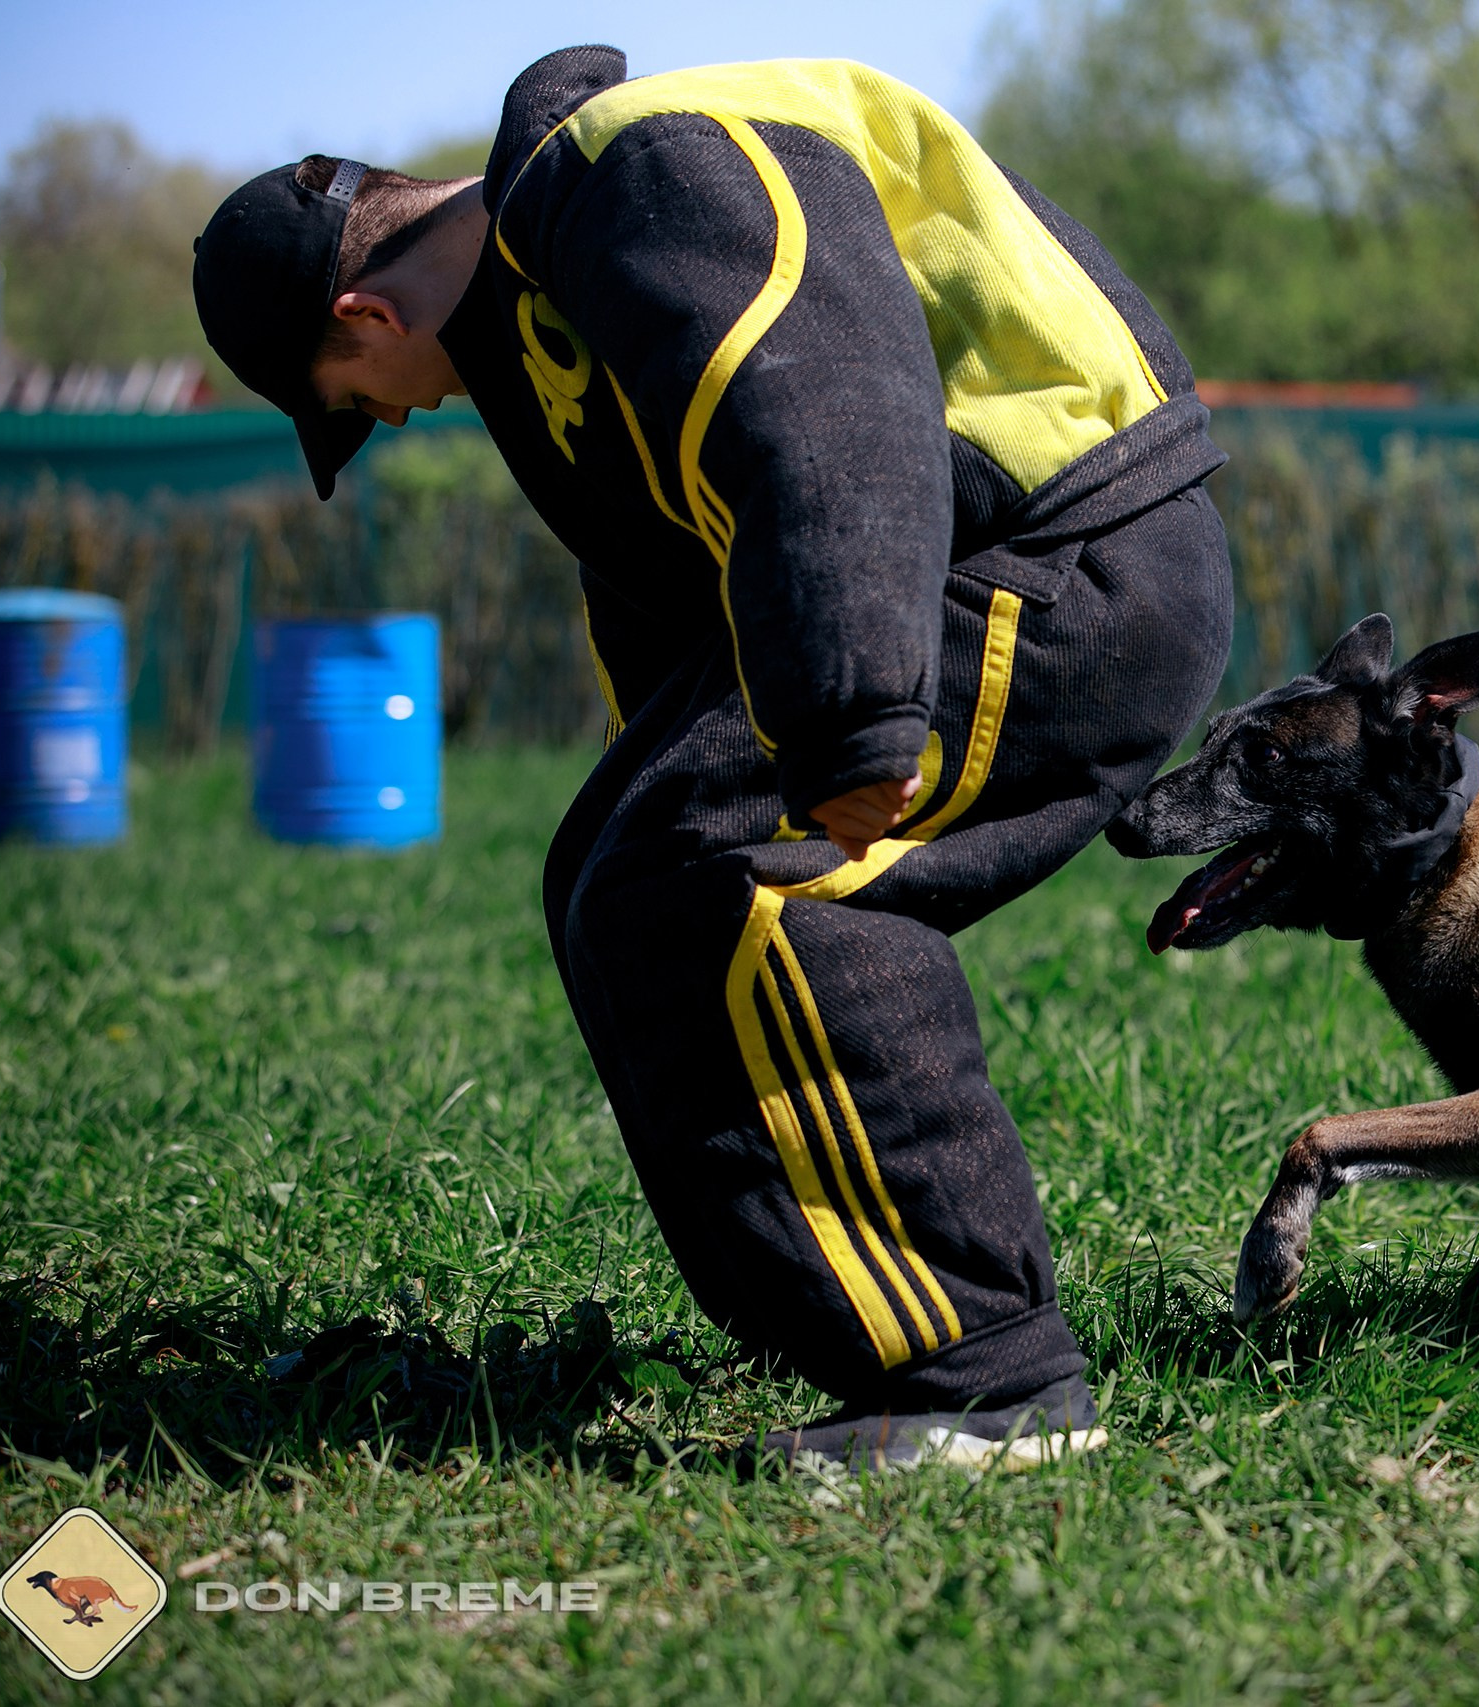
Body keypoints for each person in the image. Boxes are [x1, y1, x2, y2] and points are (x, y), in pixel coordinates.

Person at [193, 45, 1232, 1467]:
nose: (390, 418)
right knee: (617, 882)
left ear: (363, 311)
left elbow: (826, 392)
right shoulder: (542, 300)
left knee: (730, 873)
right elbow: (660, 577)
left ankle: (989, 1391)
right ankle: (844, 1338)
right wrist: (652, 774)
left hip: (1072, 554)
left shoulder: (638, 162)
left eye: (349, 400)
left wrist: (851, 708)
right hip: (968, 565)